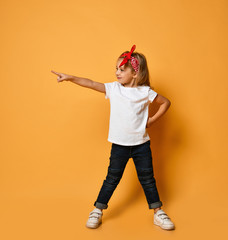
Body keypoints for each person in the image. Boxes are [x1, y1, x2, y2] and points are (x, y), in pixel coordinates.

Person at [51, 45, 175, 231]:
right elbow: (91, 83)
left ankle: (158, 212)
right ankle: (97, 210)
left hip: (142, 145)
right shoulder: (114, 88)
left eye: (121, 69)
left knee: (148, 179)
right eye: (116, 68)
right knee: (112, 178)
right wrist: (71, 78)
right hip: (120, 146)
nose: (117, 72)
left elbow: (166, 102)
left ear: (135, 73)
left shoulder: (144, 92)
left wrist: (152, 120)